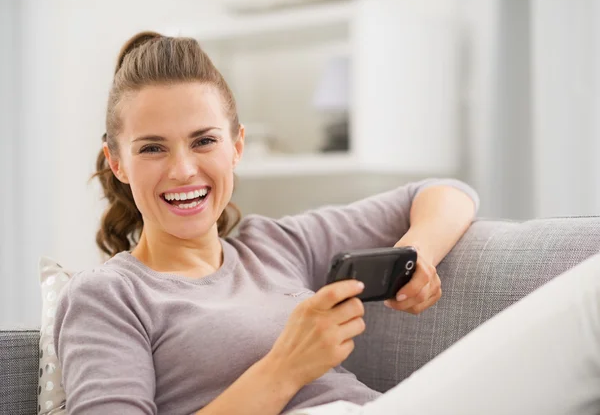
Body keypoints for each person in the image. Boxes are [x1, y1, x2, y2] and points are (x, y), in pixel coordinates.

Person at [53, 31, 600, 415]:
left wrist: (418, 255)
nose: (183, 169)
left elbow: (443, 193)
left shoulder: (273, 245)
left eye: (204, 140)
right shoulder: (106, 298)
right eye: (153, 148)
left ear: (237, 146)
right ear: (117, 162)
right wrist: (287, 366)